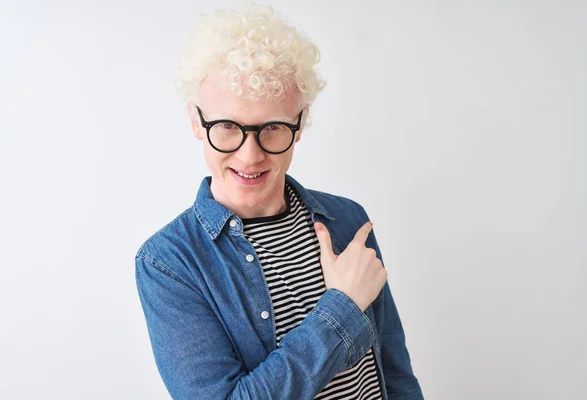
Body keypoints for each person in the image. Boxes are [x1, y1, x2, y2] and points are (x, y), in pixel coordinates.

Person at [135, 5, 424, 400]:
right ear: (195, 121)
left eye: (272, 128)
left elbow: (395, 372)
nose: (250, 156)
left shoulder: (349, 220)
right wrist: (342, 309)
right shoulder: (169, 263)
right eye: (227, 127)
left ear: (300, 123)